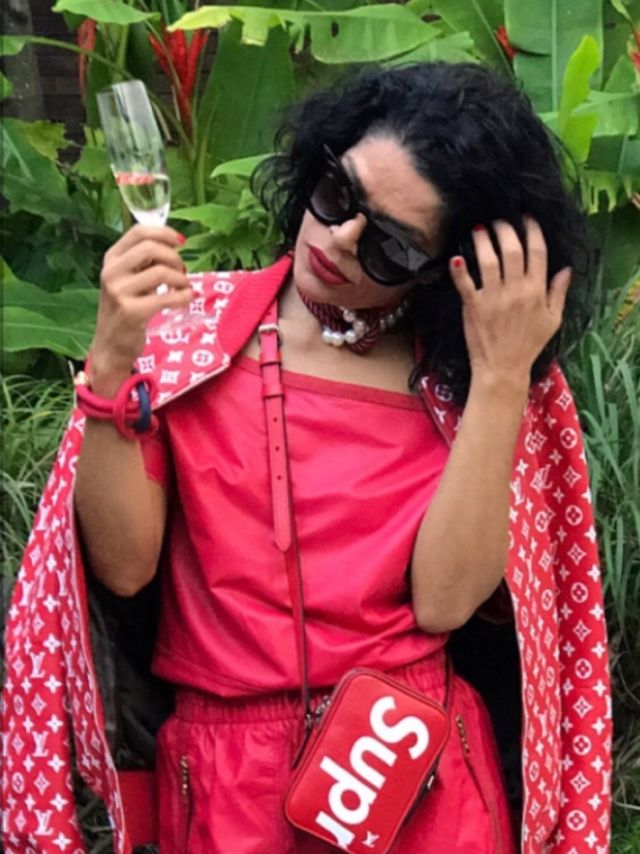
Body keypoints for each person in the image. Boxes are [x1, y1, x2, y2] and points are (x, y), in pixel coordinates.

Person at [2, 62, 612, 854]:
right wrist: (113, 363)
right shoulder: (193, 336)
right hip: (228, 778)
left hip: (414, 770)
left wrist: (501, 379)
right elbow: (123, 568)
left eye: (391, 246)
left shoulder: (467, 381)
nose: (342, 240)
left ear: (447, 272)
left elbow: (445, 603)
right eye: (338, 193)